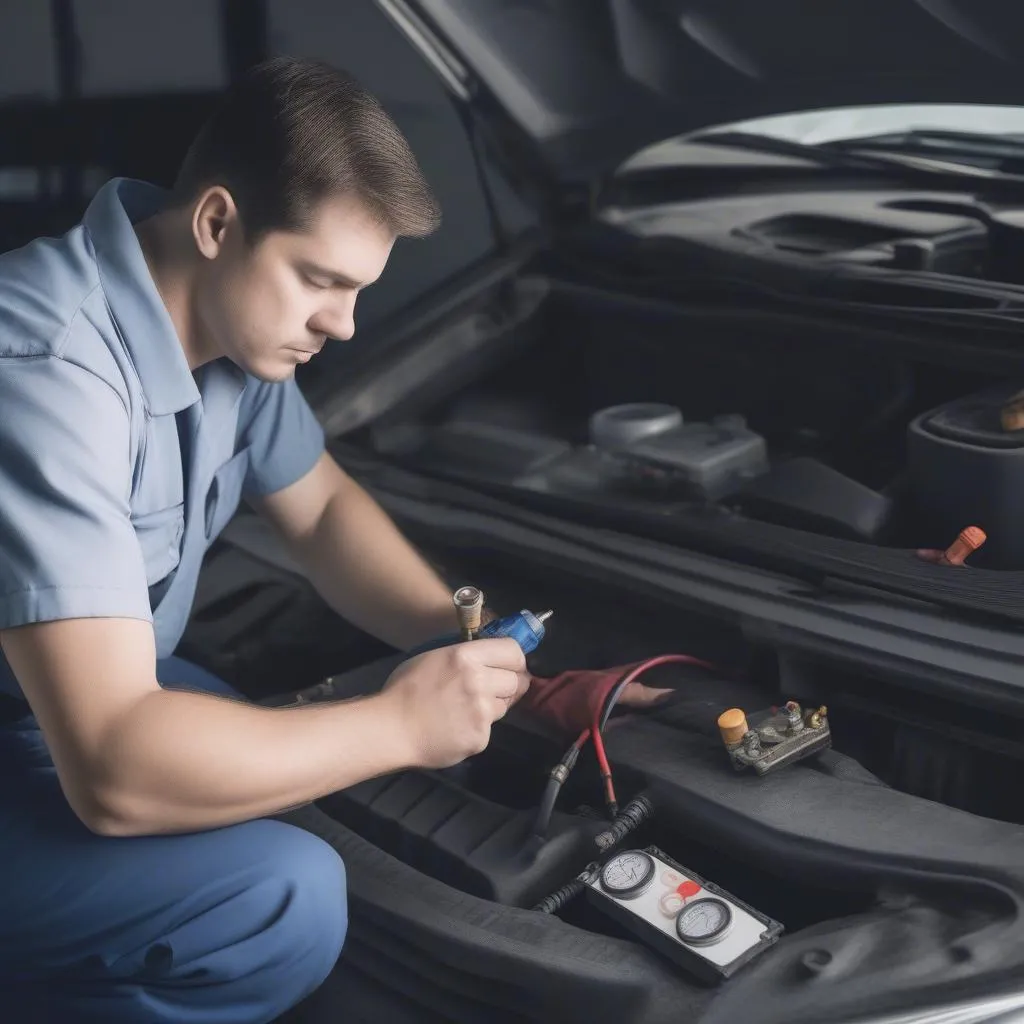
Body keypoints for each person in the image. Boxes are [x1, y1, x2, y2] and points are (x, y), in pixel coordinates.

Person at [0, 56, 533, 1023]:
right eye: (322, 281)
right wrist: (400, 726)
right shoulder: (40, 372)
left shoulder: (236, 343)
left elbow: (323, 511)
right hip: (56, 732)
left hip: (35, 708)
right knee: (282, 897)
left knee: (237, 730)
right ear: (216, 223)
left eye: (361, 289)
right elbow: (118, 766)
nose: (344, 324)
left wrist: (460, 636)